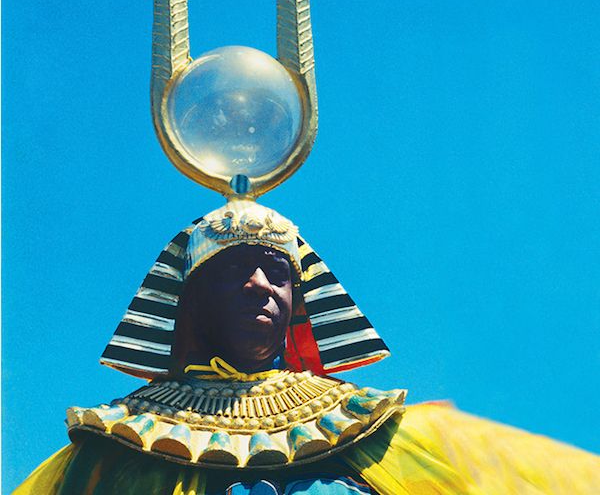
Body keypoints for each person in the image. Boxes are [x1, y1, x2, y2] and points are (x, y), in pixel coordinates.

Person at [15, 200, 600, 494]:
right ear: (192, 300)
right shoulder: (116, 444)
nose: (260, 285)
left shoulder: (370, 426)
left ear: (299, 300)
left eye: (277, 272)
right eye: (234, 270)